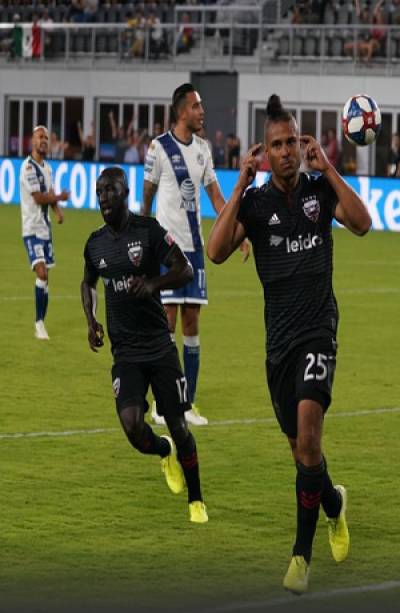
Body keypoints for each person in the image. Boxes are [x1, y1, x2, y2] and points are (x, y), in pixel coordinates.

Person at [207, 94, 372, 595]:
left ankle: (301, 558)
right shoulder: (255, 205)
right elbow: (215, 253)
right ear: (265, 151)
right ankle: (334, 505)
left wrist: (331, 169)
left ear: (303, 145)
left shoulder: (320, 192)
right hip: (277, 344)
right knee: (303, 453)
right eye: (275, 145)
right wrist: (237, 186)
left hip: (318, 329)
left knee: (309, 431)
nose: (284, 152)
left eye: (291, 143)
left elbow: (363, 223)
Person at [81, 166, 208, 524]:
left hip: (159, 347)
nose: (103, 197)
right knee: (134, 428)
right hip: (125, 353)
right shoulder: (95, 244)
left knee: (180, 425)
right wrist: (91, 321)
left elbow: (184, 269)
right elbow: (88, 283)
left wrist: (153, 284)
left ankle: (196, 498)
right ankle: (163, 450)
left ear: (124, 192)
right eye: (99, 191)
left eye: (109, 190)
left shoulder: (149, 232)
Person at [141, 82, 226, 427]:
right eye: (196, 106)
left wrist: (236, 231)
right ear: (181, 112)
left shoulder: (204, 149)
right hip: (167, 251)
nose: (202, 111)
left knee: (191, 325)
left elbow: (217, 198)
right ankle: (161, 404)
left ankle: (186, 402)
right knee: (167, 325)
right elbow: (146, 198)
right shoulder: (158, 148)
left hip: (195, 252)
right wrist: (143, 243)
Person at [20, 125, 69, 340]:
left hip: (45, 230)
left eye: (46, 138)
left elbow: (48, 195)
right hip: (31, 229)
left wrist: (57, 211)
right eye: (40, 137)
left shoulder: (48, 169)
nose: (44, 140)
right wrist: (59, 198)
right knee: (41, 273)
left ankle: (42, 321)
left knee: (46, 279)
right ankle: (39, 323)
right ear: (32, 141)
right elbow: (39, 198)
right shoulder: (27, 168)